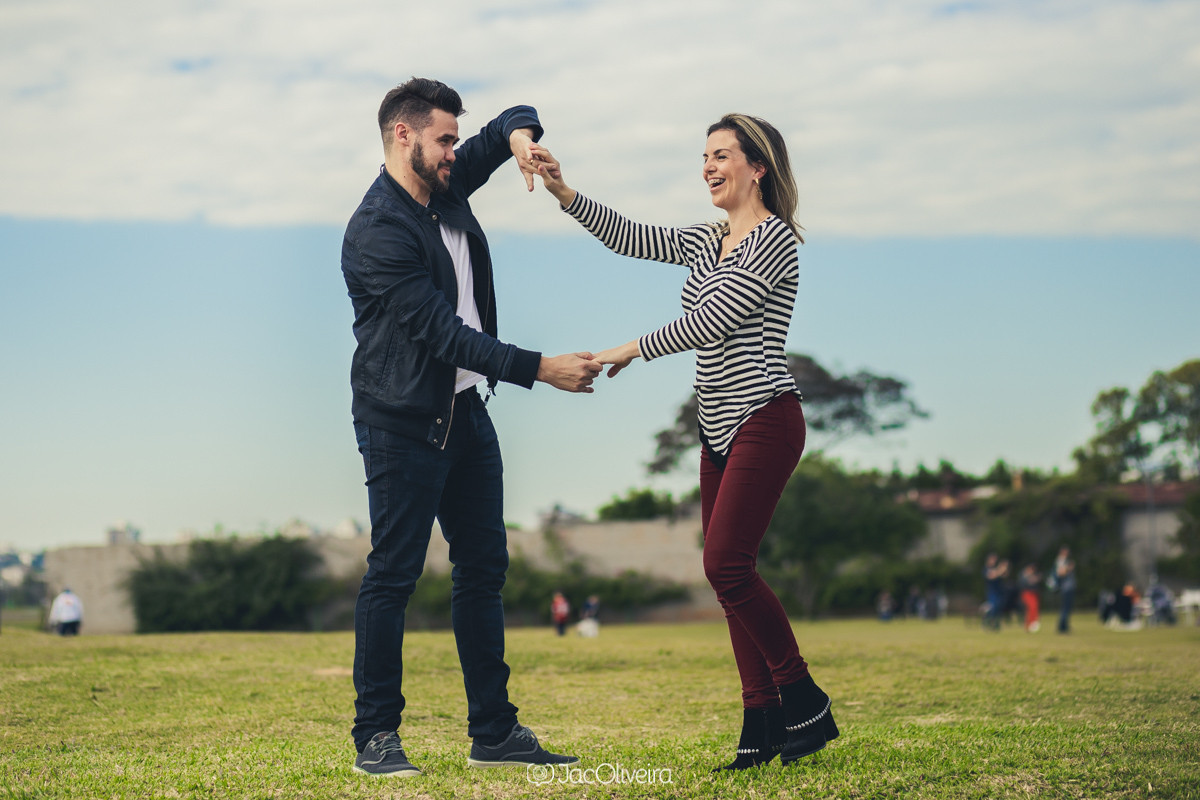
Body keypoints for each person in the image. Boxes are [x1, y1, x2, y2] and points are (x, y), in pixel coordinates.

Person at [532, 114, 837, 771]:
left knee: (726, 565)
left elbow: (714, 319)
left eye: (721, 154)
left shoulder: (774, 241)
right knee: (730, 579)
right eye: (703, 156)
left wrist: (629, 349)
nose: (707, 166)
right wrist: (565, 192)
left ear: (758, 167)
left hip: (765, 414)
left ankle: (803, 695)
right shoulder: (707, 239)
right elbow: (633, 238)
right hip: (718, 428)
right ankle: (762, 724)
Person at [340, 78, 597, 778]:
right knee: (392, 574)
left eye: (457, 138)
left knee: (483, 571)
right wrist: (540, 368)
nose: (456, 149)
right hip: (401, 421)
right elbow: (441, 334)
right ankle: (376, 737)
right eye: (445, 138)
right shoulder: (376, 231)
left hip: (466, 415)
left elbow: (512, 116)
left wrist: (520, 137)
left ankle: (494, 732)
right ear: (404, 136)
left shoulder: (446, 185)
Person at [1053, 546, 1076, 634]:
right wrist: (1069, 568)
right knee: (1065, 608)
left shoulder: (1065, 560)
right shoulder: (1061, 560)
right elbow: (1060, 572)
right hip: (1066, 587)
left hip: (1069, 587)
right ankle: (1062, 626)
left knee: (1067, 608)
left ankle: (1064, 625)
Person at [983, 554, 1007, 631]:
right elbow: (992, 576)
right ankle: (988, 622)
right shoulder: (987, 568)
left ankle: (996, 624)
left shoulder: (995, 568)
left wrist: (1004, 569)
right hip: (992, 592)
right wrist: (1000, 569)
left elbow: (1004, 575)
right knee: (993, 607)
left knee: (998, 608)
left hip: (999, 591)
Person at [1018, 564, 1042, 633]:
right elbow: (1023, 584)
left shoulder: (1033, 576)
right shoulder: (1023, 576)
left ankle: (1033, 623)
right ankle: (1028, 625)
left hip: (1033, 593)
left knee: (1034, 608)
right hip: (1027, 593)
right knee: (1030, 608)